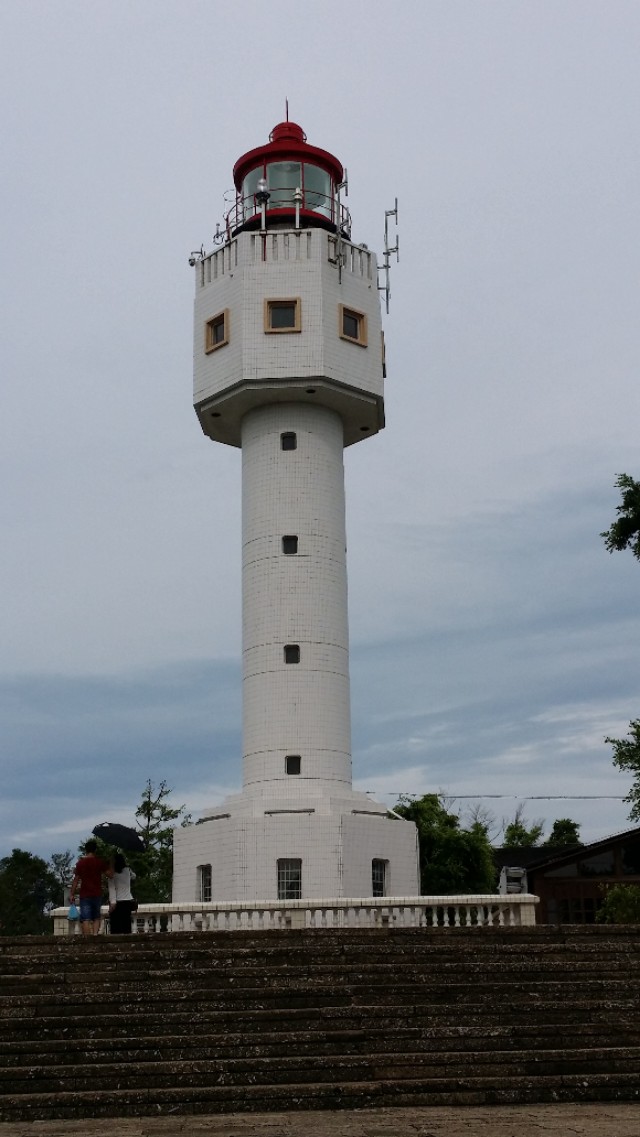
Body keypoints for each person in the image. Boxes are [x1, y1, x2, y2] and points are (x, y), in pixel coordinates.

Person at [69, 840, 112, 936]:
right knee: (96, 917)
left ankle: (88, 939)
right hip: (97, 893)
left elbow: (76, 880)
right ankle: (95, 935)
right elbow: (110, 875)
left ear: (86, 850)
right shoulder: (99, 862)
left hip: (85, 894)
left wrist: (72, 894)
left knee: (85, 918)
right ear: (95, 850)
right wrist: (110, 863)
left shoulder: (80, 863)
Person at [108, 852, 137, 934]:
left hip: (117, 901)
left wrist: (112, 903)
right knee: (126, 924)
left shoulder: (112, 874)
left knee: (115, 927)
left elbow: (111, 888)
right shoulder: (128, 870)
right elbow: (134, 876)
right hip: (128, 900)